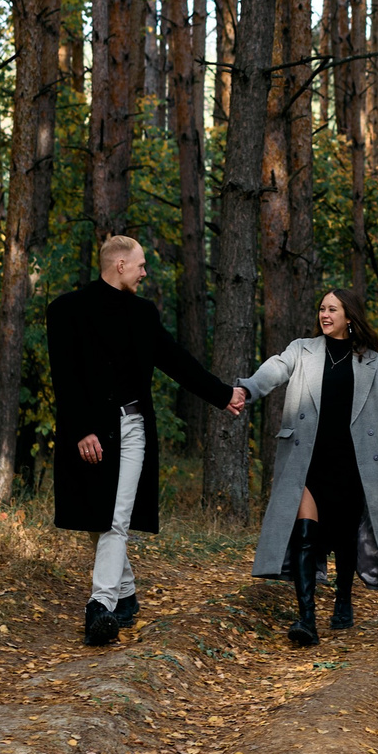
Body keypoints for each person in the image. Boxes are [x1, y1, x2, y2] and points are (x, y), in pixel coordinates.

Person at [46, 235, 248, 648]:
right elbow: (63, 377)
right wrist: (82, 428)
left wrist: (222, 394)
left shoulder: (142, 314)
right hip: (87, 429)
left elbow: (178, 362)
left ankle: (99, 608)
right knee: (95, 520)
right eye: (139, 265)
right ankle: (126, 595)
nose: (144, 272)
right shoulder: (66, 310)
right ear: (118, 264)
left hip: (132, 427)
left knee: (115, 518)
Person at [236, 288, 378, 647]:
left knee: (345, 537)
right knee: (305, 532)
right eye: (321, 308)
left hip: (353, 460)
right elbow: (274, 368)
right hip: (307, 458)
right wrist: (247, 389)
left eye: (332, 309)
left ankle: (343, 601)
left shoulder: (372, 362)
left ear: (349, 316)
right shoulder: (302, 349)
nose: (325, 315)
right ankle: (306, 619)